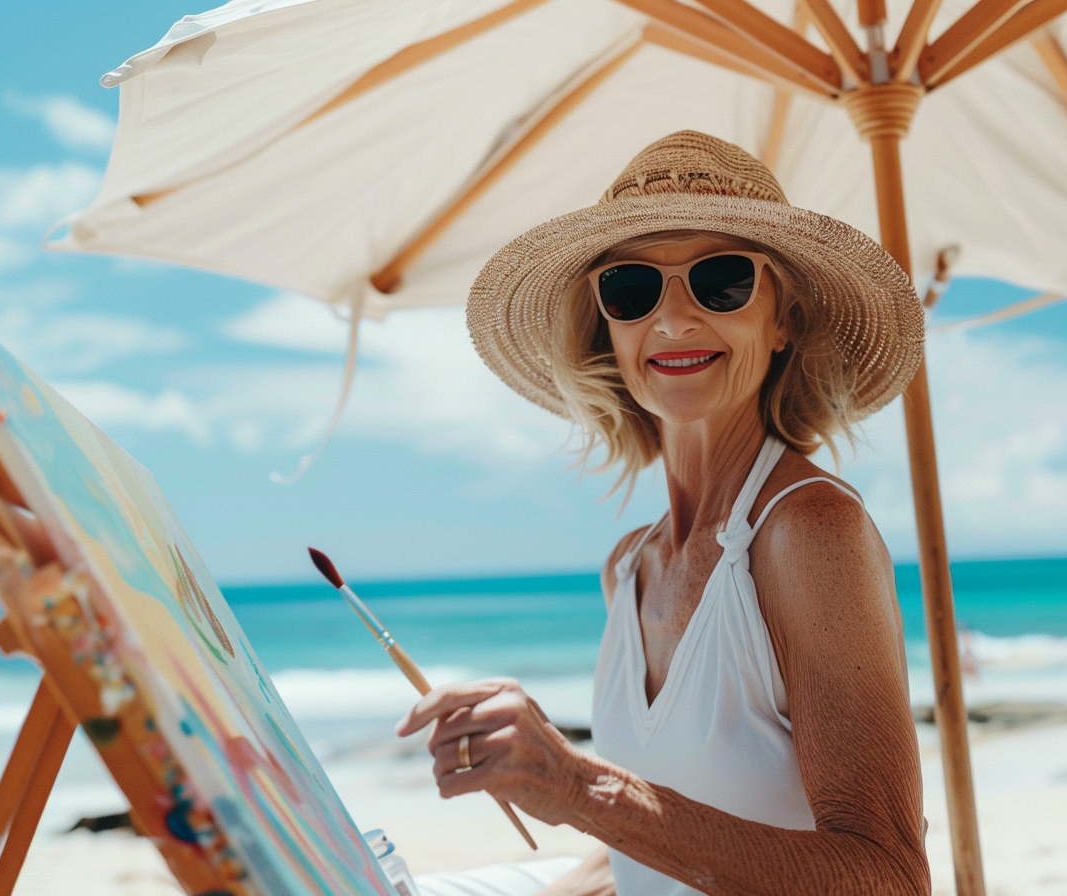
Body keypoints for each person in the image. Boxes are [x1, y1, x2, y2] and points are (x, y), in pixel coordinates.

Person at [397, 131, 930, 896]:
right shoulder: (628, 567)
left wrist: (580, 788)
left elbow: (889, 879)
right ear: (608, 329)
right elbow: (646, 856)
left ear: (783, 319)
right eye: (631, 289)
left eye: (721, 281)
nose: (673, 321)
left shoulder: (809, 531)